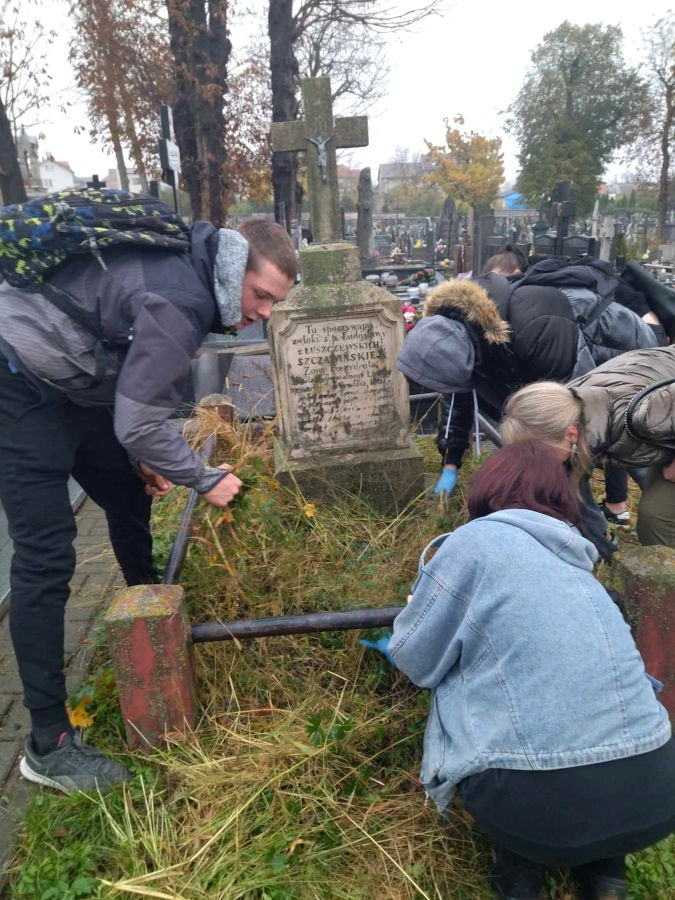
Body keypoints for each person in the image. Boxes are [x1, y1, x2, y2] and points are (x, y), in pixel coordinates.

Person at [0, 213, 297, 793]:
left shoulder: (191, 272)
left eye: (274, 302)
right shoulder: (181, 299)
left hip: (76, 380)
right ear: (236, 268)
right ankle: (48, 743)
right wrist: (203, 476)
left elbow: (123, 363)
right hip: (19, 379)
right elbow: (139, 420)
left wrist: (143, 457)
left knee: (128, 488)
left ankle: (149, 609)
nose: (263, 311)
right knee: (46, 557)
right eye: (261, 295)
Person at [391, 442, 675, 900]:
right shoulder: (580, 559)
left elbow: (416, 660)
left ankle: (520, 870)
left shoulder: (475, 541)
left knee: (458, 680)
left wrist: (419, 612)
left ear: (487, 490)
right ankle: (605, 875)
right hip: (657, 789)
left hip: (534, 805)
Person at [500, 344, 675, 549]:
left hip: (662, 409)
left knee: (658, 516)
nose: (536, 462)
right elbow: (573, 494)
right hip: (666, 417)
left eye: (538, 453)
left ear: (571, 435)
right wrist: (602, 546)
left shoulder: (642, 416)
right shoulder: (564, 411)